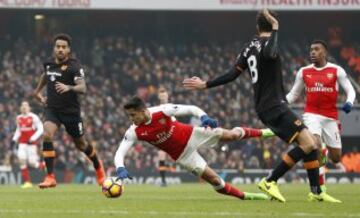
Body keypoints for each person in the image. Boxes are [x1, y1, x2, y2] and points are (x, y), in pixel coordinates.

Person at [182, 9, 340, 203]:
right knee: (311, 144)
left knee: (307, 145)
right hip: (274, 105)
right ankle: (270, 180)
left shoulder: (248, 47)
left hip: (265, 107)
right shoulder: (268, 44)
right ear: (271, 24)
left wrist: (206, 84)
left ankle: (316, 191)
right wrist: (276, 29)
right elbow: (270, 52)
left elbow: (232, 74)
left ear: (257, 27)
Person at [115, 96, 273, 201]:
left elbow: (191, 108)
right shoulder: (134, 131)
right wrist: (120, 168)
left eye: (133, 115)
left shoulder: (162, 110)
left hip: (192, 134)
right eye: (129, 115)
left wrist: (203, 117)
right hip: (183, 156)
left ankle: (265, 132)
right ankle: (246, 196)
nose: (131, 119)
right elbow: (120, 152)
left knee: (231, 135)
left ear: (143, 111)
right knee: (215, 181)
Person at [33, 33, 105, 188]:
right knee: (47, 134)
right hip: (52, 109)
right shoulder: (49, 64)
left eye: (63, 47)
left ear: (68, 50)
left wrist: (69, 87)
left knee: (81, 145)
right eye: (58, 47)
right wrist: (37, 91)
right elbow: (45, 75)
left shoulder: (74, 67)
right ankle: (50, 177)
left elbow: (83, 87)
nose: (60, 49)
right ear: (54, 48)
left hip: (71, 112)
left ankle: (98, 166)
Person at [286, 40, 356, 194]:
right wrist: (281, 102)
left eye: (316, 50)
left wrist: (349, 103)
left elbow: (351, 90)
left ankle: (322, 165)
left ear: (324, 53)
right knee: (315, 143)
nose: (312, 52)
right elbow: (294, 94)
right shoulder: (303, 71)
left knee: (336, 157)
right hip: (311, 115)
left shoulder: (336, 70)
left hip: (330, 117)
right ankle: (318, 187)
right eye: (311, 50)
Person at [12, 101, 44, 188]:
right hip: (22, 143)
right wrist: (14, 139)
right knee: (22, 160)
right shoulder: (18, 118)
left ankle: (44, 166)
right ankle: (27, 182)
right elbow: (19, 130)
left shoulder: (33, 117)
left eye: (26, 105)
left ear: (29, 108)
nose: (24, 107)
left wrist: (33, 138)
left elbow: (40, 129)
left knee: (32, 163)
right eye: (22, 105)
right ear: (20, 108)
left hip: (31, 144)